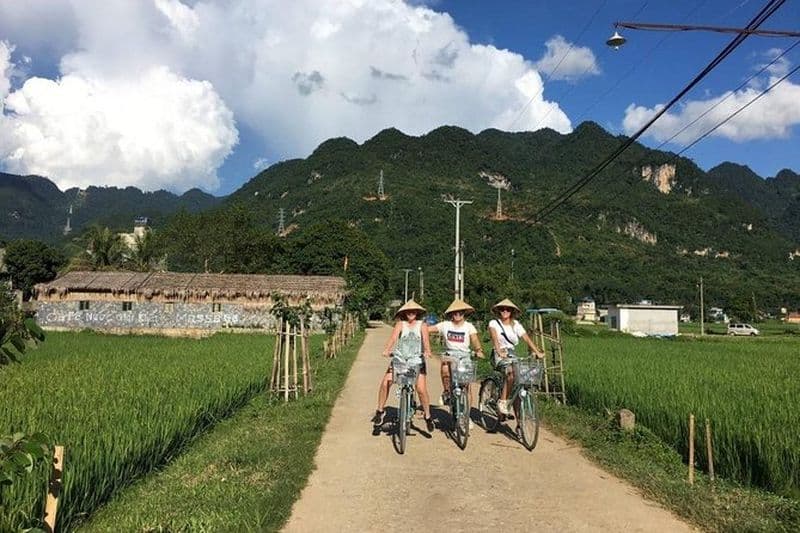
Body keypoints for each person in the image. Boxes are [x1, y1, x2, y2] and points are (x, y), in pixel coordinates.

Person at [372, 299, 435, 433]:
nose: (410, 313)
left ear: (417, 313)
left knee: (421, 389)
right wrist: (387, 349)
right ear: (404, 313)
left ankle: (428, 416)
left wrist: (428, 351)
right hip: (400, 359)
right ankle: (380, 411)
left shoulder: (422, 325)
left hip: (417, 361)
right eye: (408, 311)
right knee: (385, 382)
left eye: (413, 311)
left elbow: (425, 340)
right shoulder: (400, 324)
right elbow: (393, 338)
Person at [488, 298, 544, 418]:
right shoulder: (494, 323)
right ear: (499, 311)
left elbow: (526, 339)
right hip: (499, 355)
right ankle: (502, 401)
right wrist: (498, 350)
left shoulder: (516, 325)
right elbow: (494, 338)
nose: (505, 311)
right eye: (502, 309)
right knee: (510, 373)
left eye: (508, 309)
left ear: (512, 312)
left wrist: (537, 352)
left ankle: (520, 426)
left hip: (512, 355)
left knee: (518, 388)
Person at [427, 298, 485, 403]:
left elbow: (475, 339)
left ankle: (467, 415)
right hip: (450, 353)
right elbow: (427, 330)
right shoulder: (445, 325)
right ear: (451, 314)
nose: (457, 314)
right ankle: (447, 391)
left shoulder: (469, 326)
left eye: (460, 312)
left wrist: (478, 350)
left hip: (465, 355)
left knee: (467, 386)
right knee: (445, 368)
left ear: (464, 313)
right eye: (455, 312)